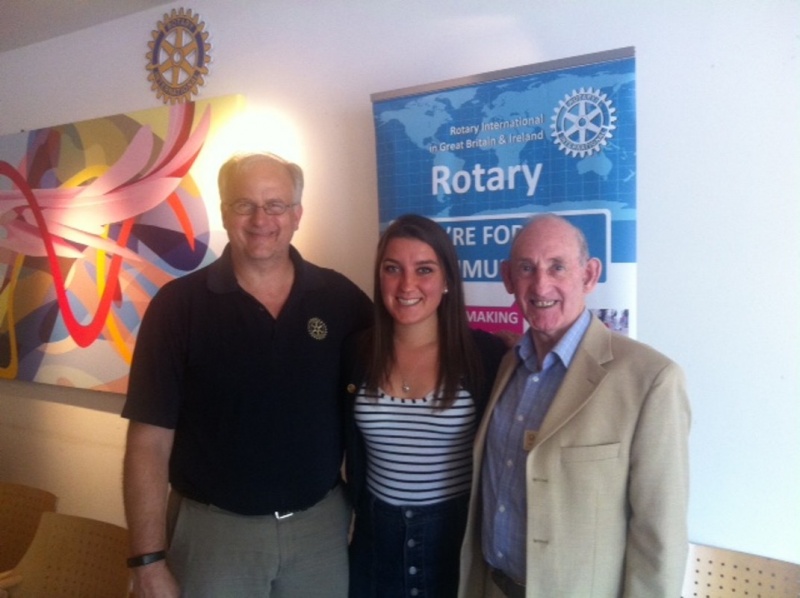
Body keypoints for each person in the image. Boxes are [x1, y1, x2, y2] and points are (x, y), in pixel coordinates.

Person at [121, 152, 372, 597]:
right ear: (223, 212)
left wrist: (486, 350)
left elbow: (404, 354)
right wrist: (148, 560)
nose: (261, 219)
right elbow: (148, 442)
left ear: (296, 214)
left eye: (275, 205)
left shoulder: (340, 299)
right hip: (214, 537)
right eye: (244, 204)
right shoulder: (178, 308)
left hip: (319, 534)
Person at [459, 214, 690, 598]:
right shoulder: (507, 365)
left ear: (589, 274)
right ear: (507, 278)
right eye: (526, 268)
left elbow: (659, 538)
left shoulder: (651, 380)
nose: (541, 284)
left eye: (557, 267)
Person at [343, 214, 507, 598]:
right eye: (392, 269)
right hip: (374, 539)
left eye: (425, 270)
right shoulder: (356, 352)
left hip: (454, 539)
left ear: (448, 279)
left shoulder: (486, 355)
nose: (407, 285)